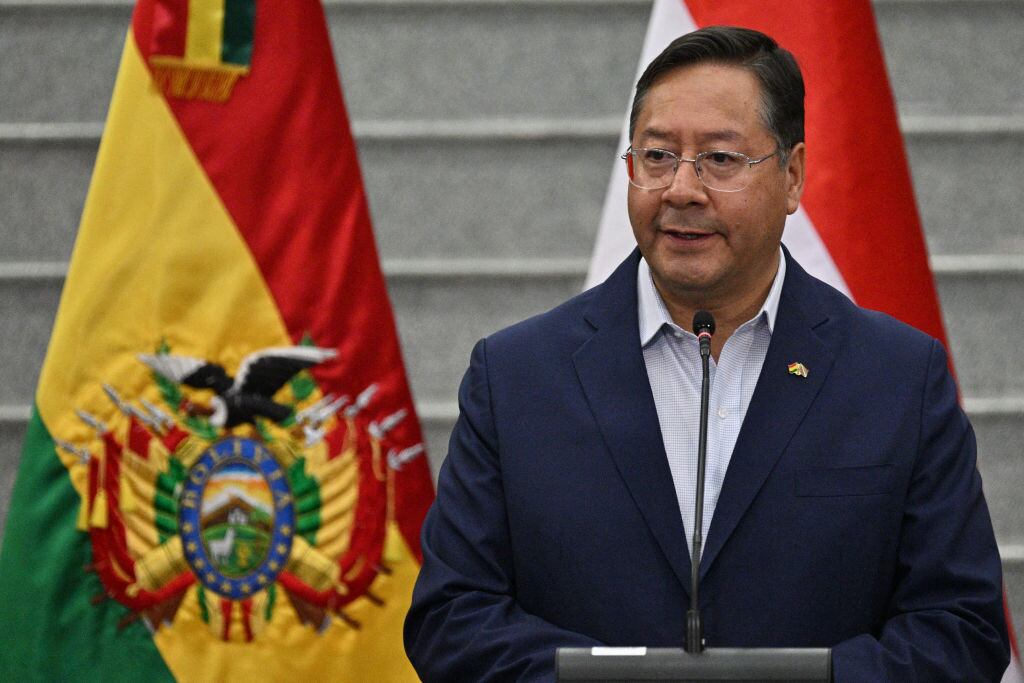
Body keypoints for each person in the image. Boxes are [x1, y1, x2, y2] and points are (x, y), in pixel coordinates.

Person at [404, 26, 1010, 681]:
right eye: (657, 156)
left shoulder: (897, 378)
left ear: (793, 176)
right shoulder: (517, 376)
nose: (681, 189)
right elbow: (453, 618)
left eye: (720, 160)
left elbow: (959, 627)